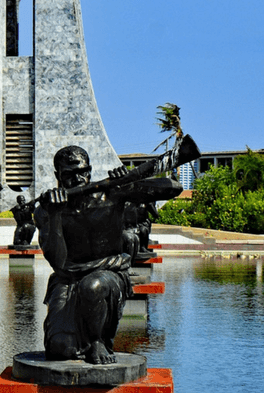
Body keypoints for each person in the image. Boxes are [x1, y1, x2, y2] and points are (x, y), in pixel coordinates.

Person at [34, 145, 182, 365]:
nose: (78, 179)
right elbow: (57, 262)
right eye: (69, 175)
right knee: (59, 349)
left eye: (82, 172)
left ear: (90, 170)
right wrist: (55, 216)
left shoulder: (111, 194)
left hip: (108, 271)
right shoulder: (46, 209)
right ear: (58, 176)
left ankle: (97, 341)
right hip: (68, 276)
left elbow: (173, 187)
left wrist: (129, 183)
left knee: (92, 286)